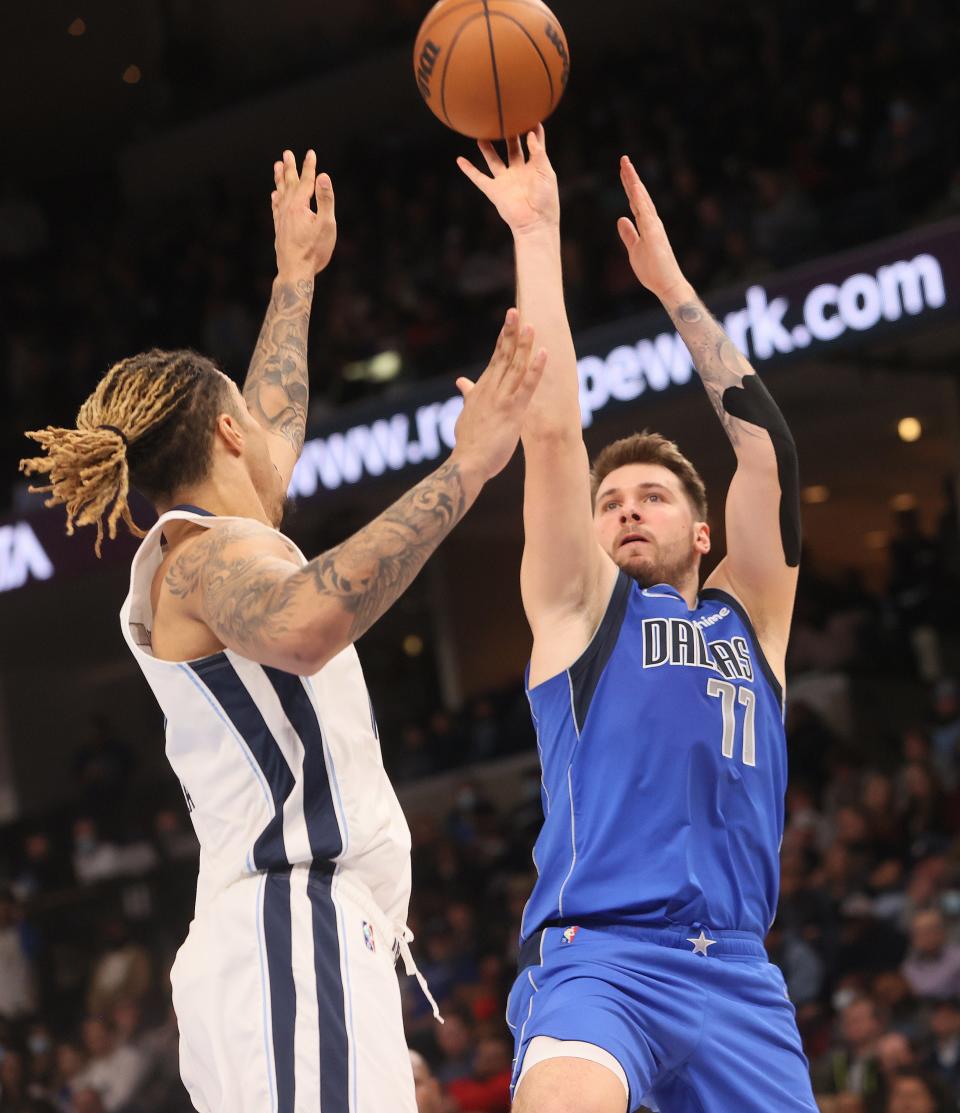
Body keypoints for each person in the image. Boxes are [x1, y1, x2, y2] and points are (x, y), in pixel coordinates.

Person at [20, 150, 546, 1113]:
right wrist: (466, 469)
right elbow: (305, 624)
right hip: (288, 921)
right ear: (224, 437)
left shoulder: (218, 543)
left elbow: (274, 410)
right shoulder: (201, 557)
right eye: (247, 422)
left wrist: (294, 278)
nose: (276, 431)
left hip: (291, 937)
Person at [458, 128, 812, 1111]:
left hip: (741, 973)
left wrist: (671, 291)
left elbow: (769, 454)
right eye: (610, 500)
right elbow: (555, 429)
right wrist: (537, 231)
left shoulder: (755, 624)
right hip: (602, 957)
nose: (623, 508)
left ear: (704, 533)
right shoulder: (582, 612)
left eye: (652, 496)